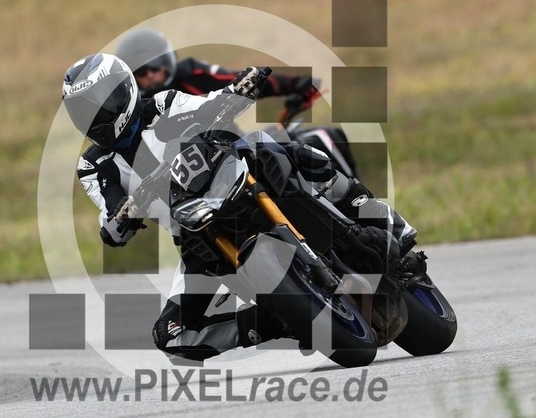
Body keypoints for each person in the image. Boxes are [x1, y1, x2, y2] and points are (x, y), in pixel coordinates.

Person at [62, 53, 418, 363]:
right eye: (82, 110)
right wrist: (119, 220)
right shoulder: (92, 166)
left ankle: (375, 215)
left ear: (122, 91)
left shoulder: (162, 105)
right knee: (171, 336)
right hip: (196, 234)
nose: (93, 116)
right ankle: (280, 320)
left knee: (286, 151)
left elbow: (208, 105)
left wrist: (240, 89)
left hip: (233, 175)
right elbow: (110, 209)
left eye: (98, 104)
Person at [115, 28, 359, 178]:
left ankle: (360, 212)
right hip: (191, 185)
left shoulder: (190, 74)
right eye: (141, 71)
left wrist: (296, 85)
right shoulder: (133, 115)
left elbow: (239, 82)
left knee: (324, 138)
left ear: (167, 60)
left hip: (240, 151)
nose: (150, 75)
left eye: (154, 66)